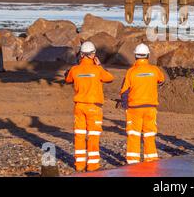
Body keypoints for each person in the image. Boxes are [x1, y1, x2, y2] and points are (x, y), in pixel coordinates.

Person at [65, 41, 114, 172]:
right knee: (93, 136)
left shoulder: (75, 70)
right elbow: (110, 78)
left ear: (81, 54)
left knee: (79, 135)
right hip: (94, 107)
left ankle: (79, 165)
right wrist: (100, 66)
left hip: (79, 106)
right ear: (93, 55)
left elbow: (68, 79)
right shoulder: (98, 70)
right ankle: (92, 166)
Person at [119, 43, 165, 164]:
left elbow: (124, 91)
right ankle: (151, 160)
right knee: (149, 134)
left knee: (134, 135)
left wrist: (125, 106)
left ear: (135, 56)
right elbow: (162, 80)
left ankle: (133, 162)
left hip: (134, 108)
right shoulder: (155, 70)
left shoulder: (131, 72)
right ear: (148, 55)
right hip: (150, 108)